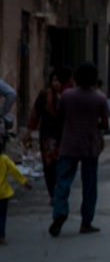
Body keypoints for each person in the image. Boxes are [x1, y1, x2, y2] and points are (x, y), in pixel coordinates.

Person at [49, 61, 109, 237]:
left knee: (63, 182)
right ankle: (86, 222)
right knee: (89, 185)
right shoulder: (100, 98)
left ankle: (60, 211)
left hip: (69, 144)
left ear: (76, 77)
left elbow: (60, 116)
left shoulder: (67, 96)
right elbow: (104, 124)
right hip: (90, 146)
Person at [27, 67, 73, 203]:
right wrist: (29, 131)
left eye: (59, 80)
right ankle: (53, 194)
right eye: (54, 80)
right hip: (47, 137)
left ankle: (60, 192)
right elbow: (35, 113)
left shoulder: (68, 96)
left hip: (63, 137)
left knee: (62, 166)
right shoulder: (44, 95)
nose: (56, 83)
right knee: (49, 167)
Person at [0, 138, 32, 245]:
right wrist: (24, 182)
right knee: (2, 215)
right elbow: (14, 171)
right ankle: (1, 236)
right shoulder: (4, 159)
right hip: (3, 193)